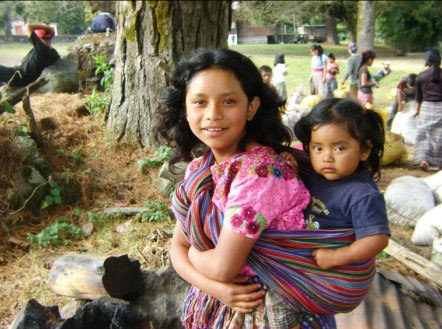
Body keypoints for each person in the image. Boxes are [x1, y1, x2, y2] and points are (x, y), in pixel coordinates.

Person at [157, 48, 376, 329]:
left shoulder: (260, 175)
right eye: (199, 102)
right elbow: (179, 246)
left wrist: (197, 260)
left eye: (228, 101)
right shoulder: (201, 169)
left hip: (266, 313)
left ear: (251, 107)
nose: (213, 114)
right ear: (185, 108)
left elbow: (223, 266)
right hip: (222, 300)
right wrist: (214, 287)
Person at [293, 97, 390, 270]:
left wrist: (337, 257)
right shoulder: (317, 175)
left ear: (365, 150)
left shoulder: (362, 195)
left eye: (340, 148)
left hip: (339, 273)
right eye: (318, 148)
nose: (327, 158)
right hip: (310, 262)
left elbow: (377, 239)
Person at [0, 23, 59, 87]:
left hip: (19, 77)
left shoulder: (42, 49)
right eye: (46, 39)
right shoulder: (53, 53)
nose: (47, 41)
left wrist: (48, 28)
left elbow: (28, 26)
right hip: (18, 74)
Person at [413, 47, 442, 171]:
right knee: (439, 134)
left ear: (427, 60)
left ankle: (423, 159)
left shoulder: (421, 76)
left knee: (424, 133)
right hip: (440, 108)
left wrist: (416, 111)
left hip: (426, 108)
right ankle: (438, 162)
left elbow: (418, 97)